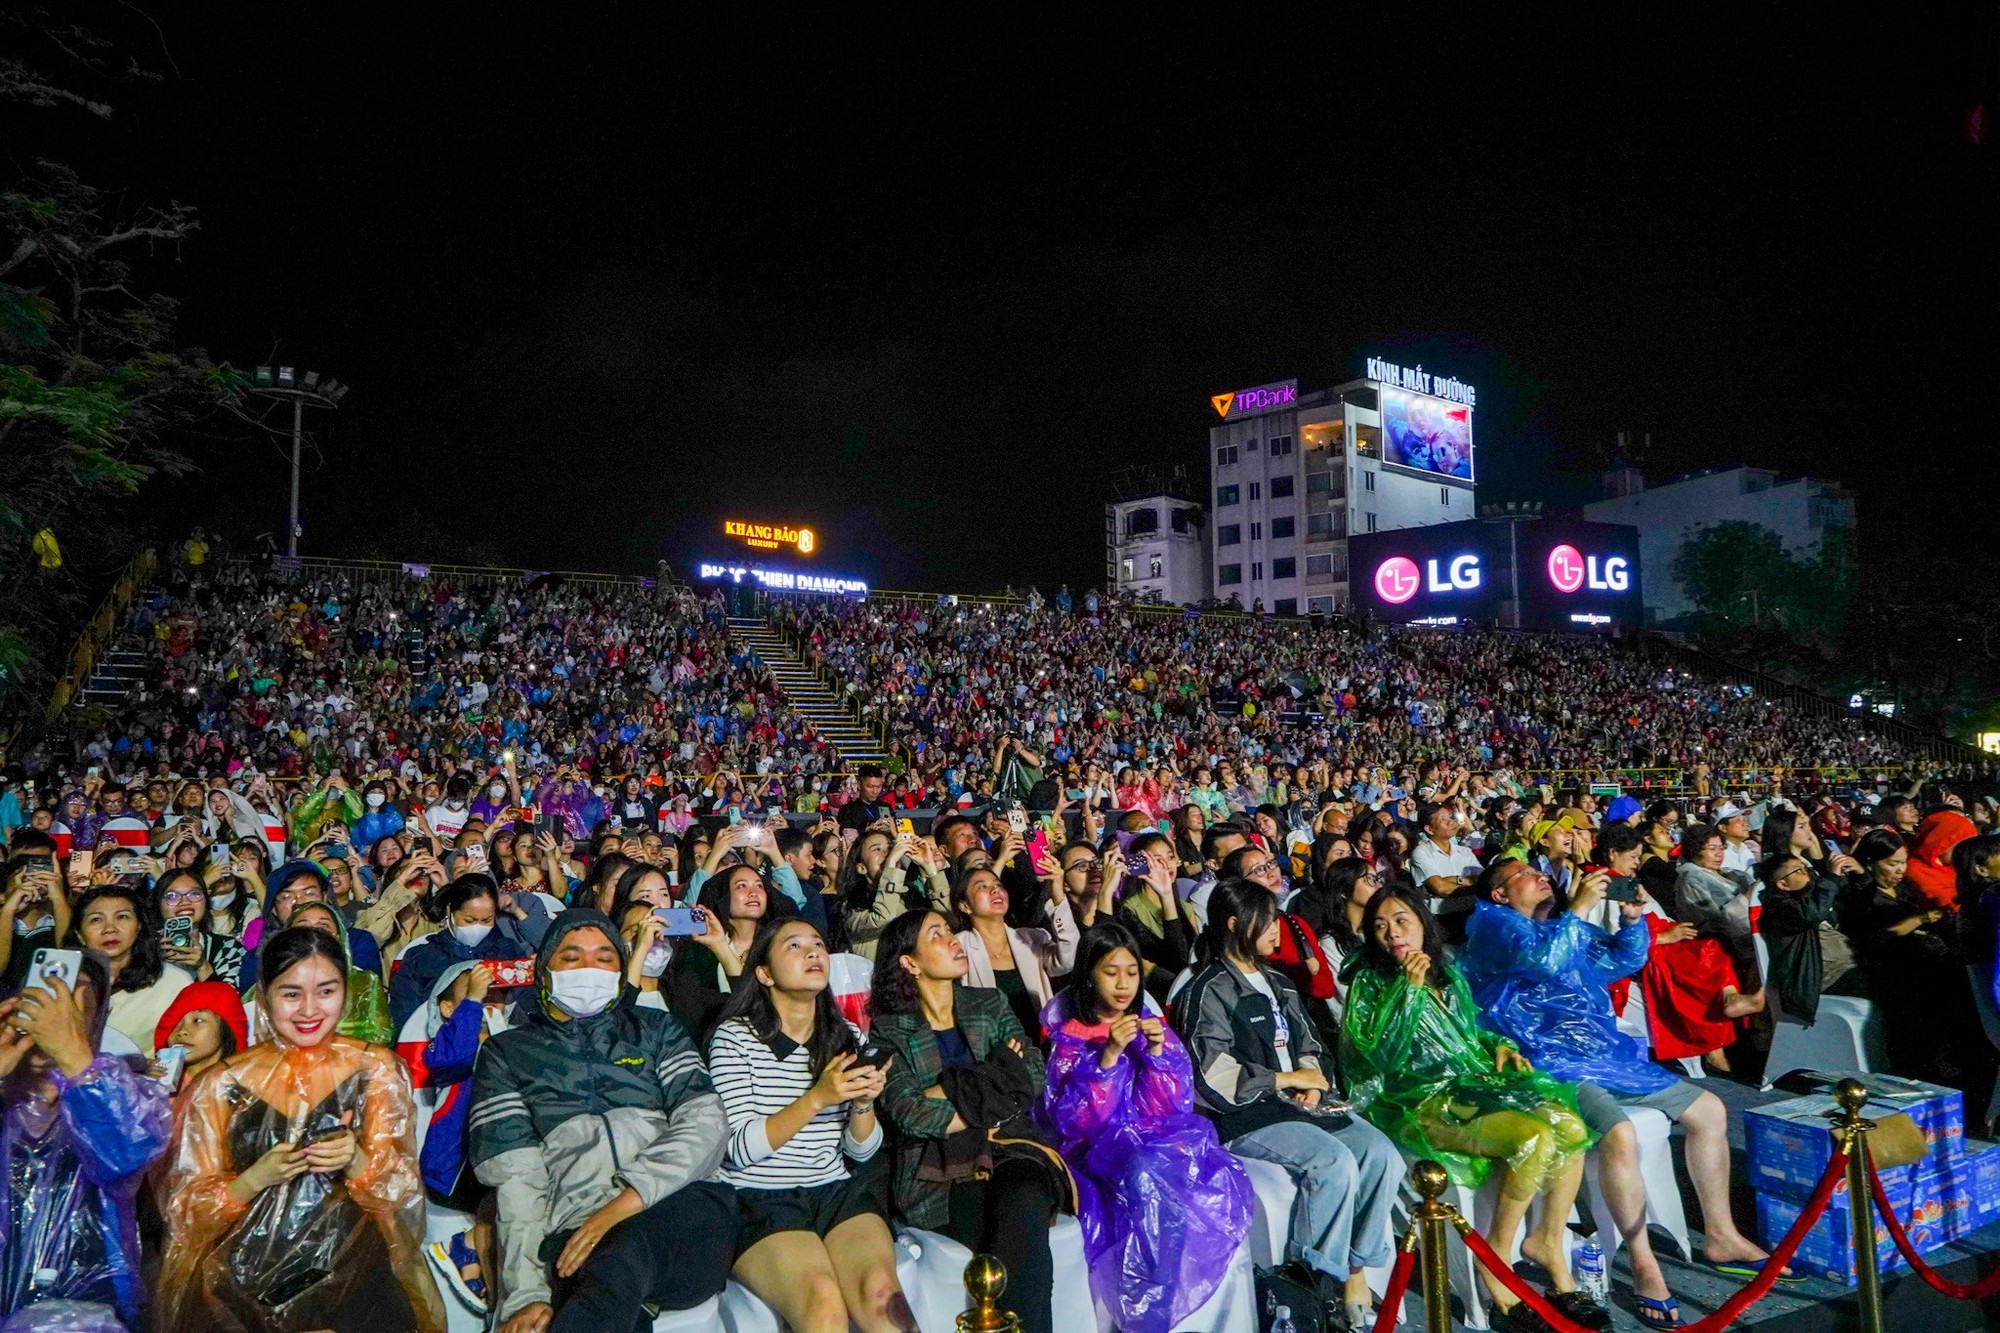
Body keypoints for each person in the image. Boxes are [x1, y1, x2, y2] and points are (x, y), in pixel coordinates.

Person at [1460, 857, 1785, 1325]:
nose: (1540, 876)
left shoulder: (1558, 924)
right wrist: (1579, 908)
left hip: (1602, 1054)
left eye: (1540, 871)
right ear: (1500, 894)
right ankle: (1642, 1258)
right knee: (1620, 1134)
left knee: (1709, 1109)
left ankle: (1720, 1233)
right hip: (1546, 1064)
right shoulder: (1493, 927)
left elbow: (1618, 961)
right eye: (1525, 875)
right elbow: (1542, 959)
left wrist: (1632, 923)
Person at [157, 925, 447, 1332]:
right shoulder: (220, 1084)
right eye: (291, 994)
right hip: (242, 1283)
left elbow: (401, 1193)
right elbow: (186, 1211)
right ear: (264, 995)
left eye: (326, 991)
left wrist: (356, 1158)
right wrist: (254, 1178)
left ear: (346, 992)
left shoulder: (376, 1070)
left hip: (354, 1279)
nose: (310, 1010)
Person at [1342, 884, 1601, 1330]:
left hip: (1467, 1086)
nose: (1392, 934)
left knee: (1572, 1128)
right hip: (1414, 1101)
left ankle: (1545, 1242)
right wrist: (1408, 989)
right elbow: (1382, 1057)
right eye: (1380, 926)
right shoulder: (1370, 982)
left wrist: (1498, 1044)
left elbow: (1465, 1031)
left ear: (1423, 923)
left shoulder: (1447, 971)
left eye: (1401, 920)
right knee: (1533, 1138)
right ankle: (1495, 1259)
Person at [466, 909, 737, 1333]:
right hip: (572, 1233)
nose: (590, 968)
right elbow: (517, 1180)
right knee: (606, 1283)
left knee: (623, 1251)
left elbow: (705, 1123)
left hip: (687, 1212)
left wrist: (620, 1206)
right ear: (544, 970)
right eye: (572, 958)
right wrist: (525, 1296)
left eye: (605, 958)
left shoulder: (657, 1029)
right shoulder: (507, 1053)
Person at [1173, 878, 1400, 1330]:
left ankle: (1355, 1271)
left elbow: (1310, 1041)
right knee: (1333, 1162)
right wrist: (1284, 1079)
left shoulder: (1279, 982)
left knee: (1382, 1155)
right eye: (1267, 920)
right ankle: (1311, 1287)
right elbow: (1211, 1076)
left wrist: (1312, 1082)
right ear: (1236, 924)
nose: (1278, 928)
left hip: (1301, 1104)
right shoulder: (1206, 989)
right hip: (1246, 1115)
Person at [1036, 921, 1252, 1333]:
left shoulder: (1151, 1028)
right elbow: (1073, 1121)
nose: (1123, 984)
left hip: (1149, 1140)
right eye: (1110, 971)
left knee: (1188, 1168)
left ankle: (1159, 1303)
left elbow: (1171, 1108)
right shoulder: (1070, 1039)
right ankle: (1147, 1312)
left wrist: (1157, 1053)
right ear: (1088, 974)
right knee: (1145, 1176)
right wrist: (1110, 1056)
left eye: (1132, 972)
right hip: (1093, 1153)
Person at [867, 909, 1071, 1333]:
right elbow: (910, 1113)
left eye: (949, 930)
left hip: (1012, 1146)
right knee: (980, 1235)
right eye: (936, 934)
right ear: (910, 962)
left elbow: (1030, 1077)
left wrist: (947, 1087)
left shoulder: (989, 1002)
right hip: (938, 1169)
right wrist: (996, 1072)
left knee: (1024, 1208)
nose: (953, 939)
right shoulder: (889, 1030)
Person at [707, 919, 914, 1333]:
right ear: (763, 973)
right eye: (795, 946)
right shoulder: (735, 1038)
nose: (813, 952)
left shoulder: (847, 1037)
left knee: (883, 1297)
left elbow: (861, 1151)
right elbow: (738, 1148)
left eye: (818, 944)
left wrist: (862, 1103)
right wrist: (818, 1097)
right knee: (822, 1303)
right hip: (760, 1197)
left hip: (835, 1190)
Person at [0, 951, 174, 1329]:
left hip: (90, 1304)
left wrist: (74, 1058)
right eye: (43, 996)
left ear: (97, 1022)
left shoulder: (129, 1091)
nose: (54, 1017)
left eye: (74, 1008)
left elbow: (125, 1155)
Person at [1839, 827, 1997, 1104]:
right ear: (1870, 863)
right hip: (1894, 972)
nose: (1900, 869)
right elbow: (1875, 940)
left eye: (1903, 862)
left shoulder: (1903, 889)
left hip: (1928, 961)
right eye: (1892, 864)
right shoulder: (1862, 896)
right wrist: (1921, 920)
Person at [388, 872, 542, 1033]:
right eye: (469, 920)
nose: (478, 927)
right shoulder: (421, 957)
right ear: (450, 912)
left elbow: (529, 1009)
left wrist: (537, 977)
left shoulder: (509, 951)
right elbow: (404, 1018)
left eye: (486, 920)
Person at [952, 862, 1078, 1040]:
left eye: (998, 885)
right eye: (983, 887)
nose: (995, 890)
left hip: (1040, 1045)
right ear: (965, 906)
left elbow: (1068, 960)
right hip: (993, 1051)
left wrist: (1058, 897)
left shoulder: (1032, 938)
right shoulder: (958, 946)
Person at [65, 884, 193, 1057]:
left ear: (139, 926)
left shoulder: (175, 982)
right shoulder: (63, 982)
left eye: (122, 917)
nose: (110, 929)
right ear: (79, 934)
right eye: (96, 920)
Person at [1113, 833, 1196, 1004]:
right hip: (1156, 996)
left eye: (1170, 856)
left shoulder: (1185, 906)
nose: (1167, 865)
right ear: (1141, 865)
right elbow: (1174, 962)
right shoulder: (1130, 910)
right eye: (1157, 859)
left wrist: (1167, 899)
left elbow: (1191, 956)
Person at [155, 867, 247, 989]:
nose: (184, 902)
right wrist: (153, 958)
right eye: (172, 896)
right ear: (158, 904)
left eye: (195, 894)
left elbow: (228, 1003)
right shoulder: (142, 947)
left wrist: (202, 966)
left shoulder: (227, 948)